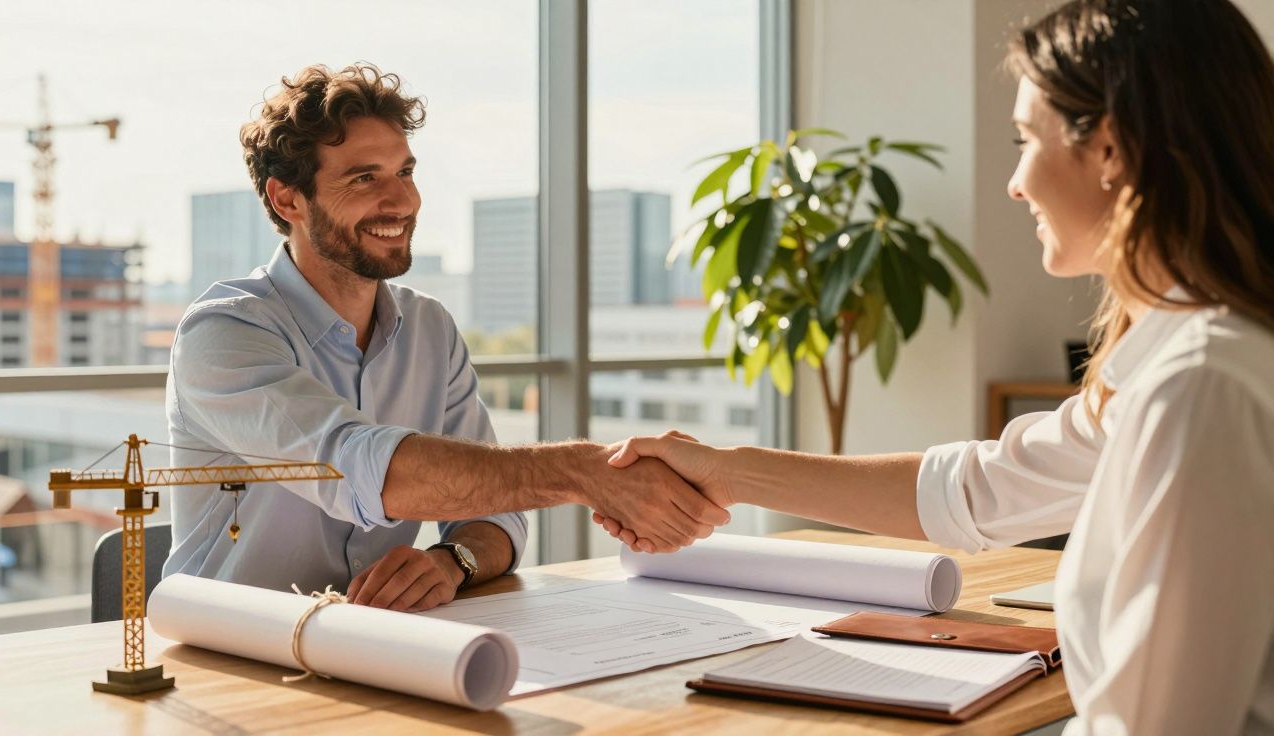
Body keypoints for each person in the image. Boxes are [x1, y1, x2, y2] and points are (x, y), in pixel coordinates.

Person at [597, 1, 1274, 732]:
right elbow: (979, 490)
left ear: (1109, 149)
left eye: (1024, 140)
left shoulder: (1201, 387)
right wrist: (725, 471)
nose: (1016, 182)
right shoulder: (1187, 362)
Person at [163, 63, 728, 613]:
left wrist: (451, 560)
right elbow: (357, 467)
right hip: (230, 652)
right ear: (289, 200)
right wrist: (584, 471)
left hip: (381, 646)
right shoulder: (224, 332)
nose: (402, 201)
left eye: (405, 173)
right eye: (364, 178)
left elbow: (497, 519)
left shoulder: (430, 328)